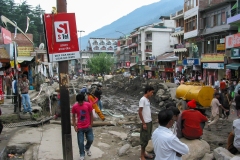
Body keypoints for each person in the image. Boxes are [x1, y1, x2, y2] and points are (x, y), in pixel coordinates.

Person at [72, 93, 94, 160]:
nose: (80, 103)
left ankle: (87, 148)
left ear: (83, 100)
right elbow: (73, 116)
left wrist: (91, 124)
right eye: (79, 102)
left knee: (90, 139)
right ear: (77, 101)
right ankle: (82, 154)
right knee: (80, 142)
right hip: (80, 127)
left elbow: (91, 114)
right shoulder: (75, 106)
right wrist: (75, 126)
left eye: (81, 101)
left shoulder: (88, 105)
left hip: (88, 126)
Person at [138, 85, 154, 160]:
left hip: (149, 121)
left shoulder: (147, 100)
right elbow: (140, 112)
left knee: (147, 138)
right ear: (147, 91)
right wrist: (143, 123)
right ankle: (142, 155)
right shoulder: (142, 99)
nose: (152, 94)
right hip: (146, 122)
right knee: (143, 139)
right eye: (151, 92)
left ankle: (144, 153)